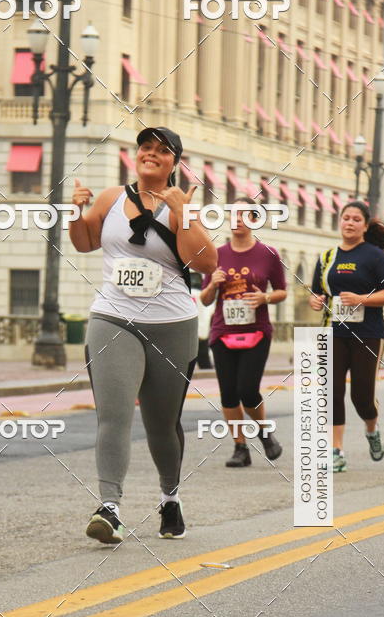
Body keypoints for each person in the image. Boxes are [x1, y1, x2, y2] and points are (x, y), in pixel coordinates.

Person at [69, 127, 217, 543]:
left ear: (174, 162)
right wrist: (76, 212)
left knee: (161, 423)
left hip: (172, 325)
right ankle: (109, 508)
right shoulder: (110, 198)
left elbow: (206, 262)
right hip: (113, 317)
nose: (151, 154)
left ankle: (170, 497)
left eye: (162, 150)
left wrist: (183, 214)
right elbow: (84, 243)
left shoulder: (183, 204)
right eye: (145, 147)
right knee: (114, 415)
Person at [310, 201, 384, 473]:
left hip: (367, 333)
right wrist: (316, 301)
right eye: (346, 218)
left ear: (365, 225)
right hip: (334, 332)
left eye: (356, 219)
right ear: (340, 221)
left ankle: (372, 429)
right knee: (332, 390)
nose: (349, 223)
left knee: (362, 397)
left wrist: (362, 299)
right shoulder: (327, 257)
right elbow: (317, 293)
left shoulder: (374, 256)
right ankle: (336, 450)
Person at [200, 198, 287, 467]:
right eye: (234, 214)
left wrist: (265, 298)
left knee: (248, 390)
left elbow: (282, 291)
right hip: (223, 332)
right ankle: (240, 447)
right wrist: (213, 285)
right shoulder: (216, 254)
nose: (237, 219)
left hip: (256, 331)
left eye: (244, 215)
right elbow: (205, 299)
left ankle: (264, 432)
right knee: (228, 393)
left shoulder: (268, 254)